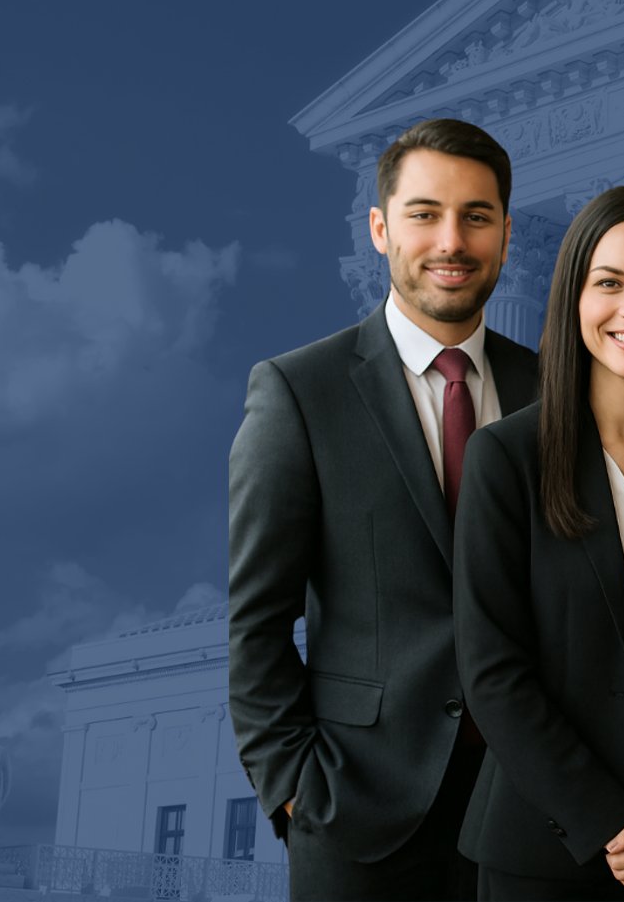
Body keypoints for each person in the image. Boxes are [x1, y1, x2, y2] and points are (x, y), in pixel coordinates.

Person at [228, 119, 539, 900]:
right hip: (359, 814)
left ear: (506, 234)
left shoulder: (553, 391)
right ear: (379, 229)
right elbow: (258, 619)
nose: (451, 240)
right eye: (424, 214)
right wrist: (294, 786)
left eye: (476, 216)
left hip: (530, 811)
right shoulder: (299, 392)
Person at [452, 186, 624, 900]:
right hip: (549, 837)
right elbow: (493, 673)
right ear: (573, 297)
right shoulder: (506, 458)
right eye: (610, 283)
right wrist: (609, 823)